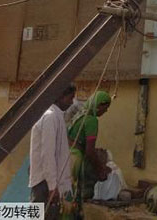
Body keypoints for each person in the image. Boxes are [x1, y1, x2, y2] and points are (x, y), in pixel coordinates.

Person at [29, 84, 76, 220]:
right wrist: (52, 186)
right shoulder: (50, 117)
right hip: (45, 182)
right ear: (60, 96)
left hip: (50, 182)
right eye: (70, 98)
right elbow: (47, 154)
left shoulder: (57, 116)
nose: (71, 102)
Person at [68, 91, 112, 214]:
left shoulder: (79, 115)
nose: (106, 111)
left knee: (67, 193)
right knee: (79, 195)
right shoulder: (92, 120)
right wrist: (100, 170)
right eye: (105, 107)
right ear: (99, 105)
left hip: (68, 155)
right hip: (77, 158)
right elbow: (90, 151)